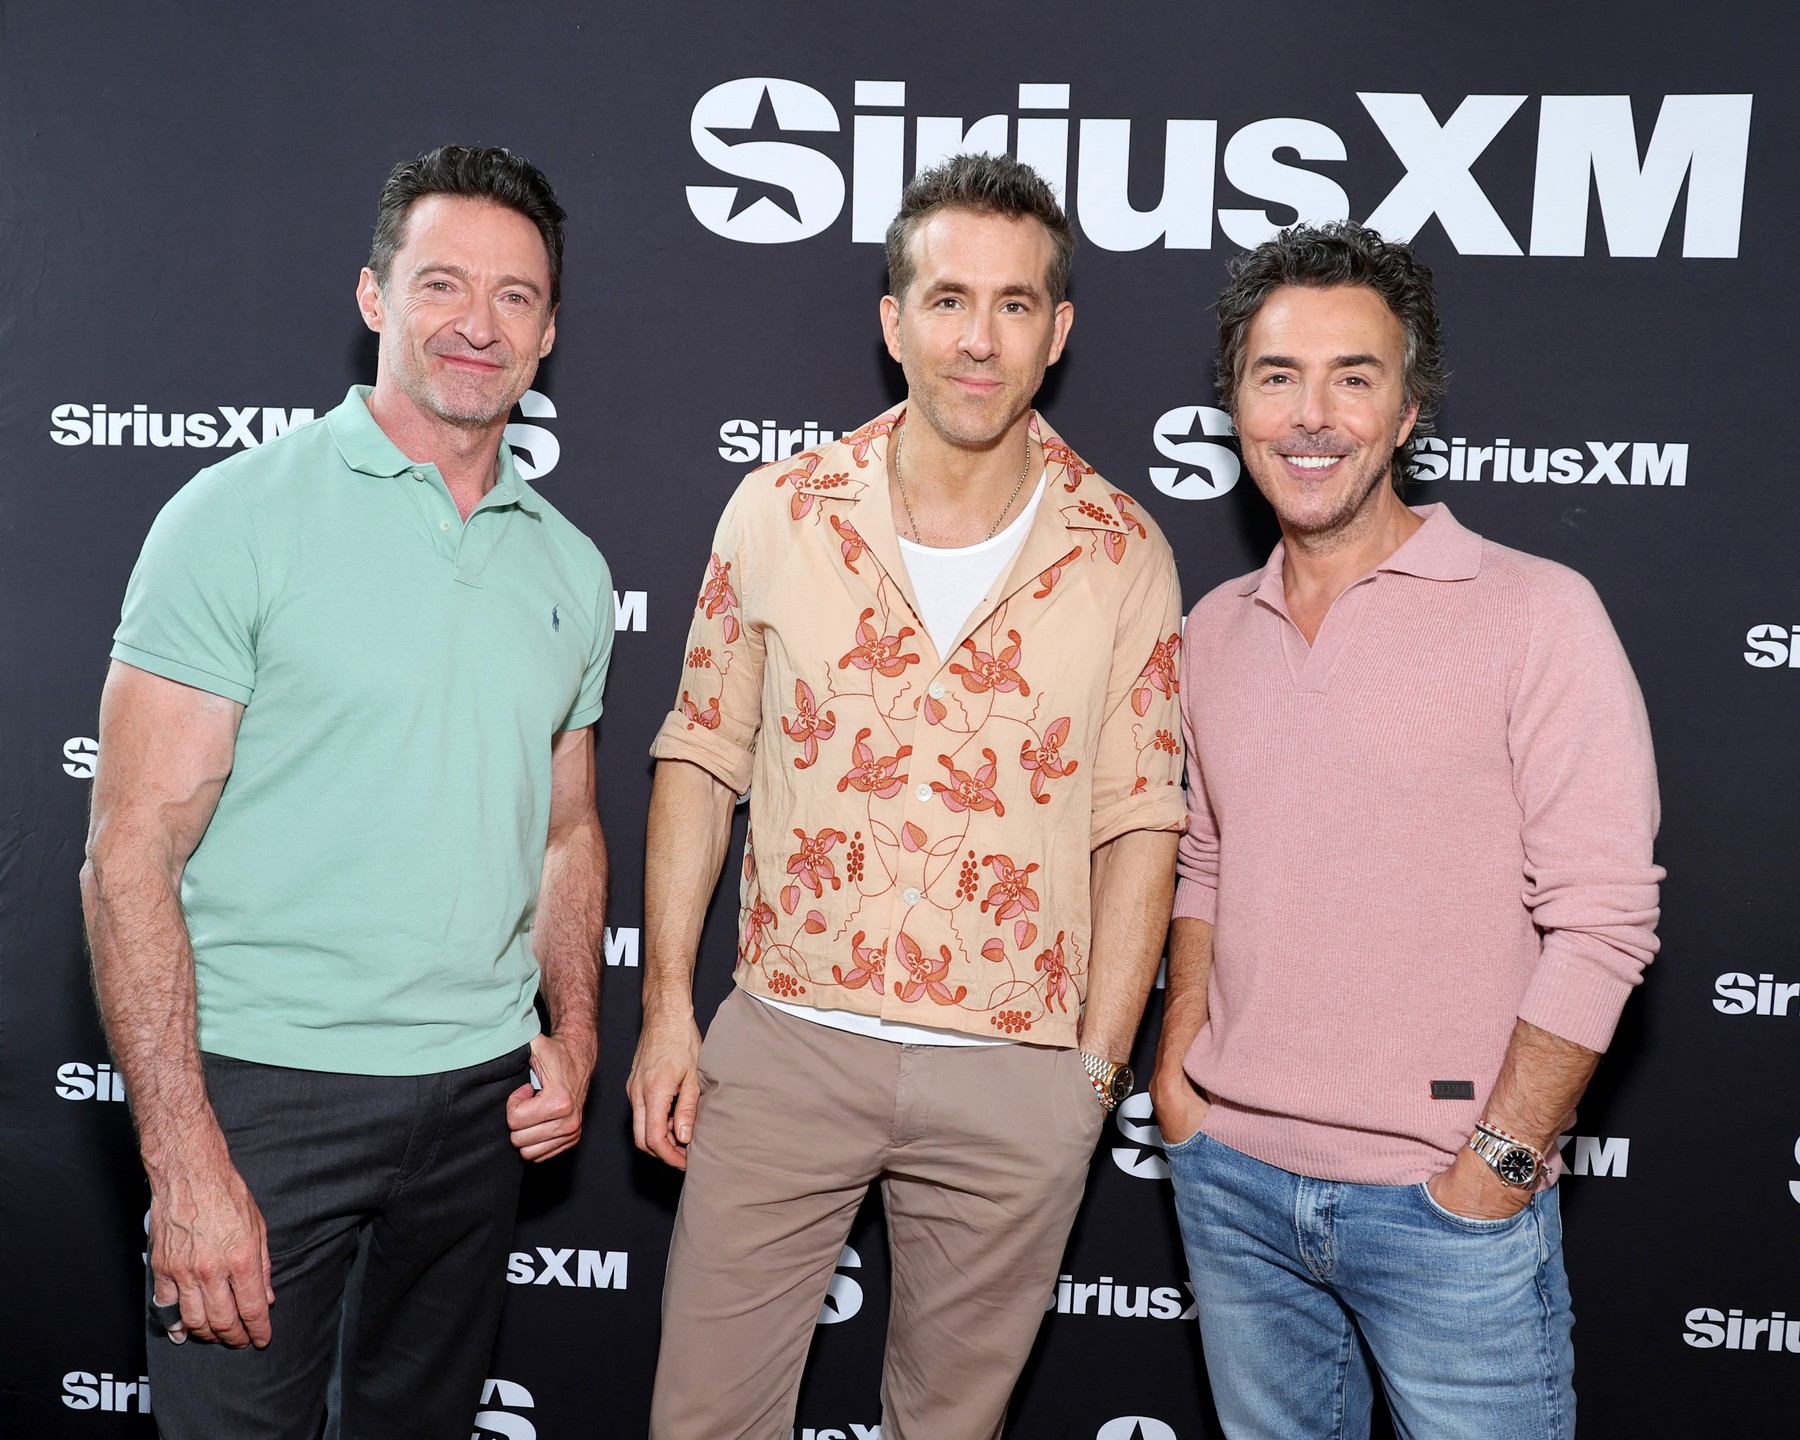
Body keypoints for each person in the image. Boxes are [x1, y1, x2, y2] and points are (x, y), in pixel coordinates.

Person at [628, 153, 1186, 1440]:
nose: (976, 339)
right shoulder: (778, 510)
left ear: (1057, 332)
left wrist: (1089, 1080)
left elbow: (1140, 821)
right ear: (894, 323)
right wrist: (667, 1012)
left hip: (1017, 1077)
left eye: (1011, 304)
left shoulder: (1123, 550)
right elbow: (701, 756)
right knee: (702, 1422)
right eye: (945, 300)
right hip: (785, 1042)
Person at [80, 144, 614, 1439]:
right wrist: (183, 1155)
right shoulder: (235, 520)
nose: (477, 325)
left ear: (548, 331)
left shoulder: (573, 567)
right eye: (441, 284)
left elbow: (568, 829)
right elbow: (128, 855)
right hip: (265, 1092)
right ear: (374, 298)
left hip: (478, 1103)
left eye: (515, 296)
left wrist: (577, 1029)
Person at [1152, 221, 1662, 1439]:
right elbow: (1205, 860)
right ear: (1235, 406)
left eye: (1353, 377)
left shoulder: (1538, 612)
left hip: (1444, 1205)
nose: (1311, 415)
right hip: (1232, 1186)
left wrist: (1496, 1162)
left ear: (1410, 407)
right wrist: (1180, 1082)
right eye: (1277, 378)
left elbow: (1603, 918)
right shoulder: (1210, 628)